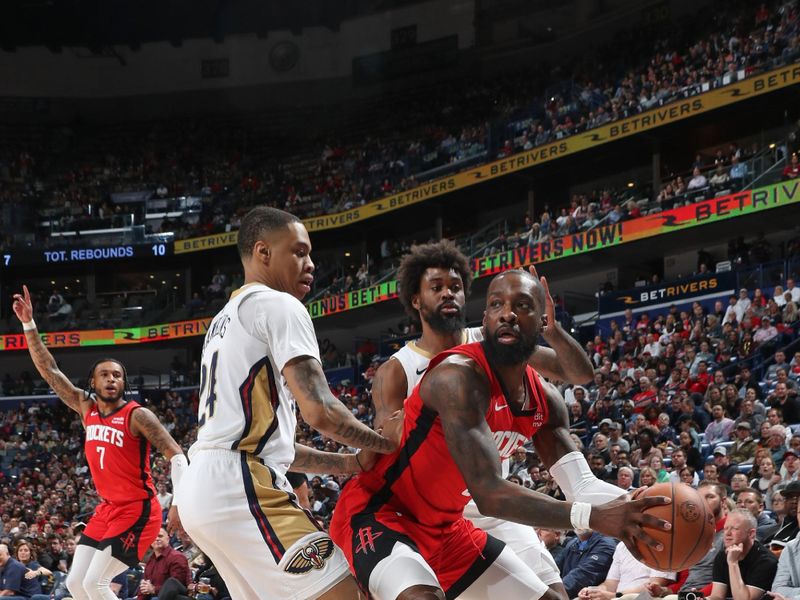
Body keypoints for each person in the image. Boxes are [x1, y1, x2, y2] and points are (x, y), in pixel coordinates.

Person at [330, 269, 671, 599]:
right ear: (485, 319)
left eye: (521, 306)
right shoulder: (457, 377)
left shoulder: (545, 401)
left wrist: (631, 505)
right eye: (496, 305)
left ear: (542, 321)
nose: (507, 314)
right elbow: (489, 493)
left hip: (448, 526)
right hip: (383, 512)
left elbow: (581, 485)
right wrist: (595, 517)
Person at [177, 207, 398, 600]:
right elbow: (321, 410)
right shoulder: (279, 305)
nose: (311, 264)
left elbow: (275, 445)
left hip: (208, 489)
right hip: (240, 485)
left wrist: (348, 464)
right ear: (263, 252)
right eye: (298, 252)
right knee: (349, 593)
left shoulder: (223, 320)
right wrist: (387, 443)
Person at [368, 240, 596, 597]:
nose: (448, 294)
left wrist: (551, 329)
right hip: (430, 512)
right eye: (437, 287)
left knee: (554, 592)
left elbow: (577, 373)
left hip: (496, 503)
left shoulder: (493, 340)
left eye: (456, 287)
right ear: (416, 300)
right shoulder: (396, 371)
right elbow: (387, 447)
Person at [11, 286, 187, 600]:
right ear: (93, 382)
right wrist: (29, 325)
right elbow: (50, 371)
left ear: (123, 382)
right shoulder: (86, 409)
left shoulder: (138, 415)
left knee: (96, 584)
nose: (110, 379)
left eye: (117, 375)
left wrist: (179, 502)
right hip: (107, 510)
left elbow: (176, 453)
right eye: (104, 374)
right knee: (76, 584)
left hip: (139, 510)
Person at [706, 509, 778, 600]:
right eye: (726, 528)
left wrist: (733, 563)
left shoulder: (766, 561)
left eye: (734, 529)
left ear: (751, 533)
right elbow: (717, 596)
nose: (727, 533)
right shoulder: (722, 555)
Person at [556, 529, 617, 599]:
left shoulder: (607, 544)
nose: (579, 522)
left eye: (583, 518)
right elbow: (554, 568)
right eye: (575, 518)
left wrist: (552, 592)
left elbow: (583, 575)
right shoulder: (572, 543)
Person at [136, 529, 191, 600]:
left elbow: (176, 586)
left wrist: (154, 589)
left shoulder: (177, 557)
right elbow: (144, 587)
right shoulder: (150, 560)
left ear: (168, 539)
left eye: (160, 536)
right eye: (154, 537)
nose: (157, 539)